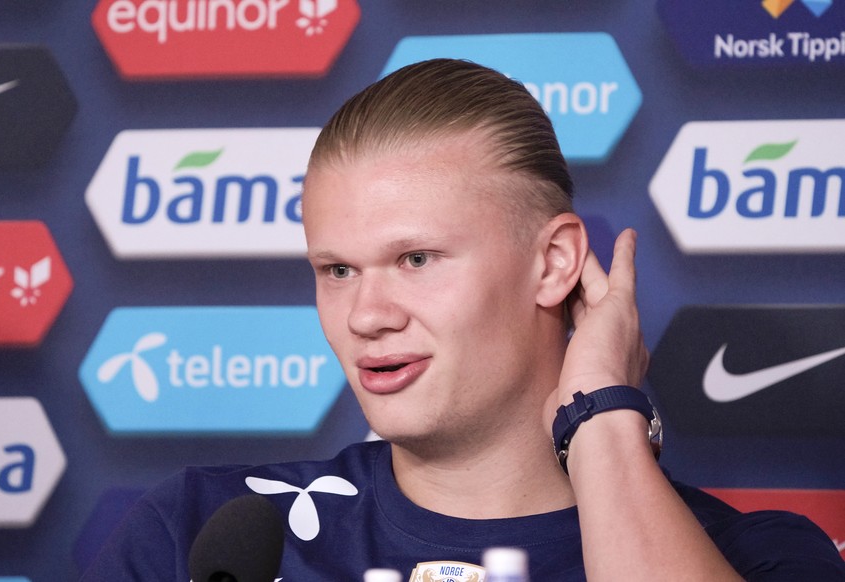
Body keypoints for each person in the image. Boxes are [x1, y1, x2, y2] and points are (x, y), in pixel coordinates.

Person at [81, 59, 845, 581]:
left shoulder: (753, 556)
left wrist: (603, 417)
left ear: (553, 264)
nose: (367, 317)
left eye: (416, 259)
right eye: (337, 270)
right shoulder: (202, 533)